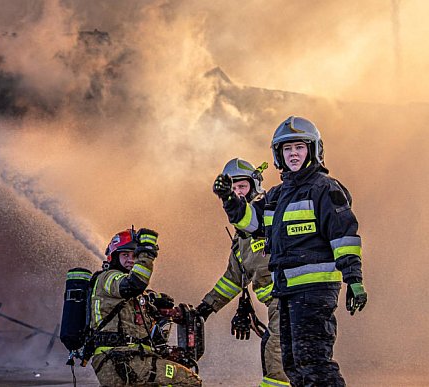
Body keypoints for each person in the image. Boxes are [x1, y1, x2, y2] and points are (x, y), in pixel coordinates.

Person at [212, 116, 367, 387]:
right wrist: (230, 200)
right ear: (279, 155)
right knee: (292, 364)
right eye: (287, 149)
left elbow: (344, 236)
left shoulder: (324, 188)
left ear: (313, 150)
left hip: (314, 292)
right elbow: (251, 223)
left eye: (299, 147)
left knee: (315, 363)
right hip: (285, 292)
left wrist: (354, 279)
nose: (293, 154)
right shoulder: (276, 195)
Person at [196, 158, 289, 387]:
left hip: (290, 296)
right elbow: (233, 278)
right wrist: (206, 308)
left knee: (276, 350)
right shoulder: (241, 239)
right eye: (233, 188)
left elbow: (250, 219)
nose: (237, 193)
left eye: (242, 187)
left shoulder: (270, 213)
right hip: (277, 302)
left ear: (255, 186)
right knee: (282, 350)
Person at [89, 228, 202, 386]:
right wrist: (147, 254)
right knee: (188, 380)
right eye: (125, 255)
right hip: (120, 360)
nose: (131, 260)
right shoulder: (108, 278)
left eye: (135, 255)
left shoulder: (134, 294)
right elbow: (133, 285)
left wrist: (154, 304)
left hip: (128, 360)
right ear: (114, 257)